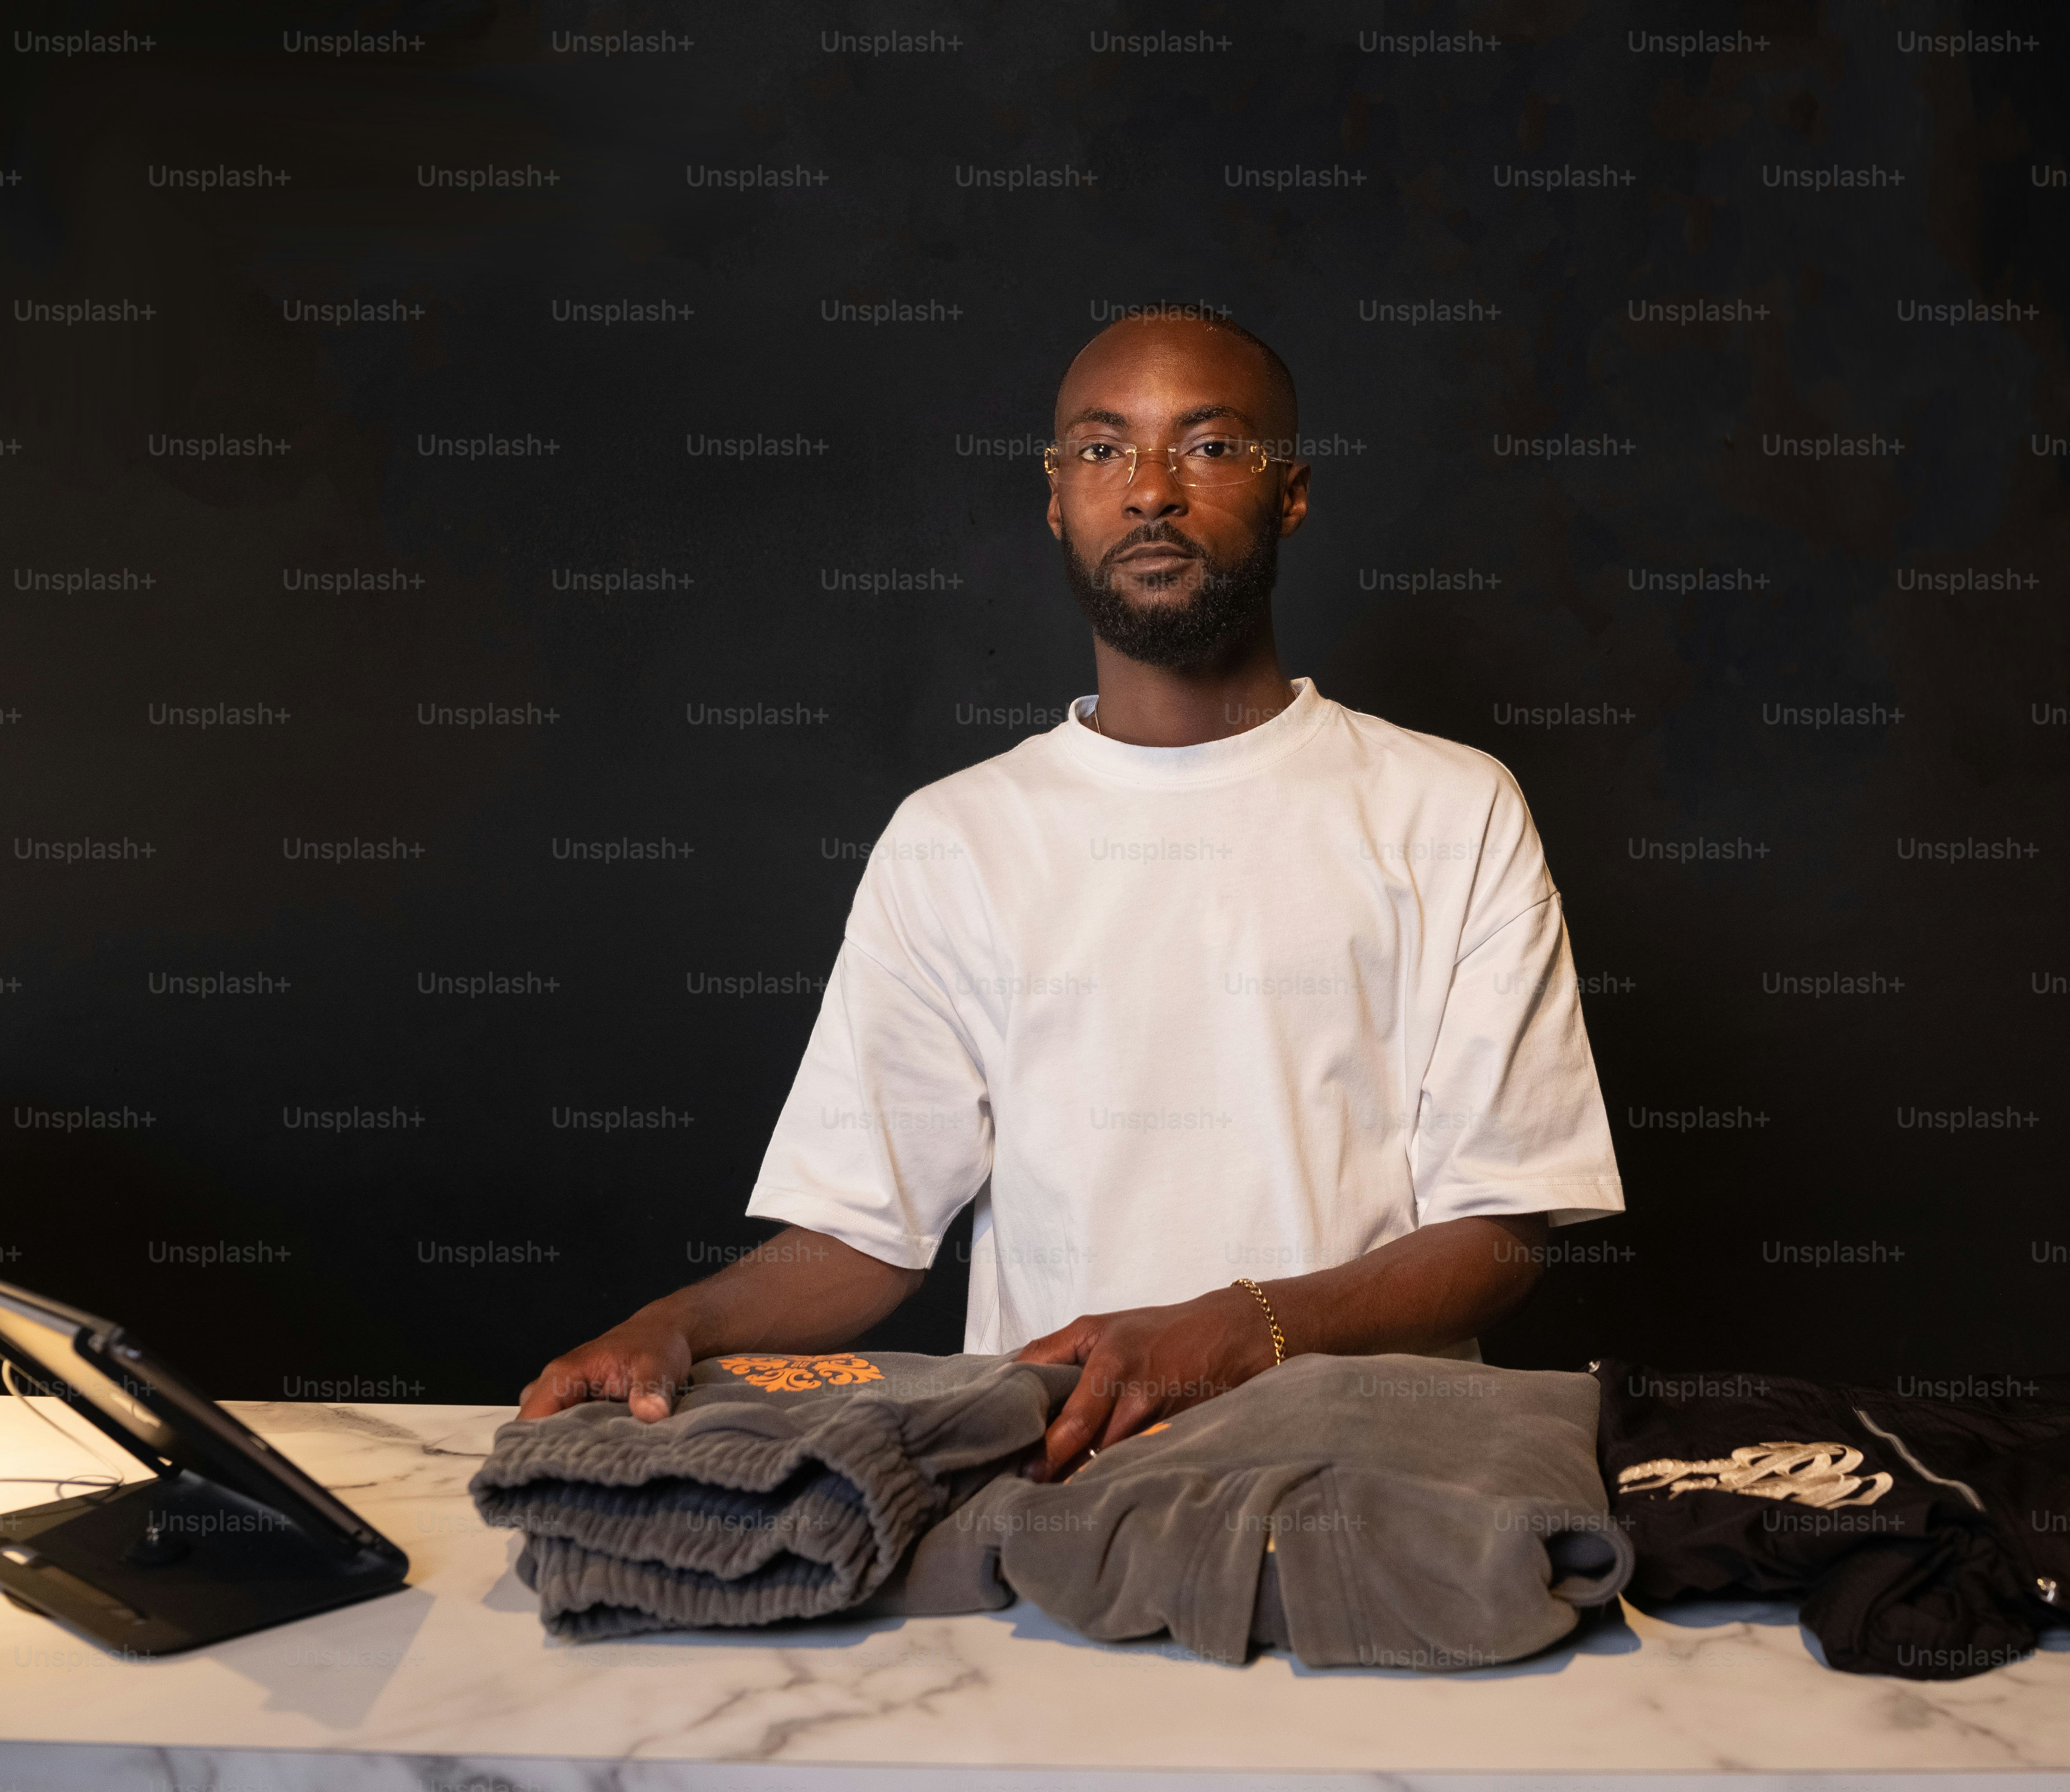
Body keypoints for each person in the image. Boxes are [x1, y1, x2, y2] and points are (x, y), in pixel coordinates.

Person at [519, 309, 1624, 1480]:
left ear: (1289, 492)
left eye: (1205, 447)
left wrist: (1238, 1328)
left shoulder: (1448, 808)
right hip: (1054, 1490)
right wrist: (676, 1326)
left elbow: (1501, 1230)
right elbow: (863, 1229)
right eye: (1101, 451)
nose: (1149, 491)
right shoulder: (954, 837)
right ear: (1055, 501)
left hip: (1377, 1481)